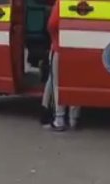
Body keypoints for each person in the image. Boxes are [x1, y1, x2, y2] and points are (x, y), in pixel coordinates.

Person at [41, 0, 80, 131]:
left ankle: (59, 119)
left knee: (57, 83)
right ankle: (73, 119)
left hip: (60, 49)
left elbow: (52, 24)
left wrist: (55, 40)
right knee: (75, 83)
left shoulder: (62, 2)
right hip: (79, 49)